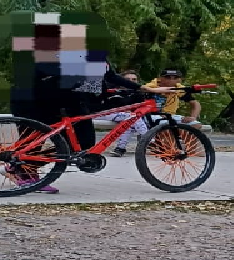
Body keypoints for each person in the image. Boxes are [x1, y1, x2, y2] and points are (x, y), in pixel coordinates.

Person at [11, 64, 173, 192]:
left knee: (80, 146)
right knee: (37, 136)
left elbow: (110, 76)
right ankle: (21, 170)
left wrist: (145, 88)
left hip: (65, 102)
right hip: (36, 99)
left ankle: (21, 167)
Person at [110, 68, 203, 157]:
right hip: (151, 116)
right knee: (166, 126)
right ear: (160, 78)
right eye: (168, 77)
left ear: (180, 79)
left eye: (175, 78)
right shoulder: (149, 88)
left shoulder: (179, 89)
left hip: (170, 115)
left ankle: (188, 152)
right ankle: (166, 149)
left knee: (196, 125)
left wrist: (193, 117)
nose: (172, 80)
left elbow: (195, 104)